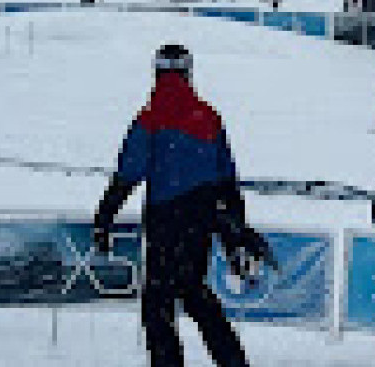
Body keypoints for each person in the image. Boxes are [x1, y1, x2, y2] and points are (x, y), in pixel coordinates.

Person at [93, 43, 269, 367]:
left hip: (164, 220)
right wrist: (235, 228)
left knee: (158, 305)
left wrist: (105, 216)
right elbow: (227, 180)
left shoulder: (150, 118)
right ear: (187, 73)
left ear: (157, 73)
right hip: (200, 220)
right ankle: (233, 362)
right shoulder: (209, 117)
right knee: (194, 292)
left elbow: (128, 174)